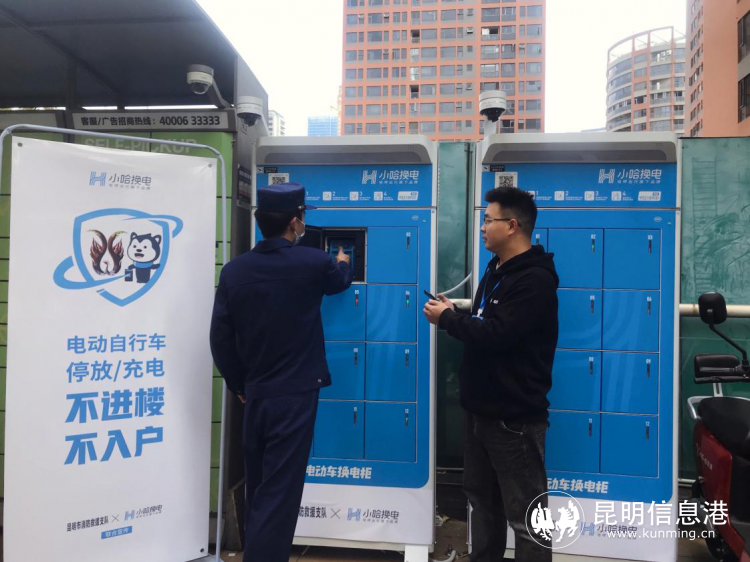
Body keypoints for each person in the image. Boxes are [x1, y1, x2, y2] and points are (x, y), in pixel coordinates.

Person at [210, 182, 352, 562]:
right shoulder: (313, 262)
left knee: (260, 488)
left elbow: (219, 339)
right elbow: (339, 282)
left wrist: (239, 385)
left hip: (255, 395)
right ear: (295, 221)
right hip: (295, 398)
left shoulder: (234, 271)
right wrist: (342, 260)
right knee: (280, 495)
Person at [423, 186, 558, 562]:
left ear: (512, 225)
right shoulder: (496, 269)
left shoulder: (534, 280)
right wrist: (457, 313)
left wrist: (448, 320)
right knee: (482, 503)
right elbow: (489, 321)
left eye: (488, 220)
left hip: (513, 418)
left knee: (527, 517)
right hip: (480, 412)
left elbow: (499, 335)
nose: (482, 227)